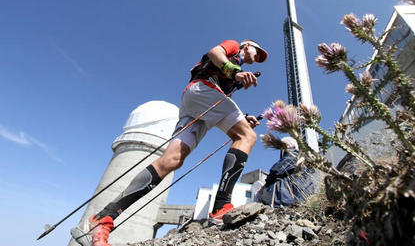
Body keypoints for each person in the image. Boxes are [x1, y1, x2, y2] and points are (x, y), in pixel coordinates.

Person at [71, 39, 268, 246]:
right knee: (246, 136)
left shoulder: (238, 74)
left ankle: (103, 218)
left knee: (172, 160)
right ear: (247, 45)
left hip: (197, 102)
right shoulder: (234, 46)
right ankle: (221, 207)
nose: (258, 57)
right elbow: (214, 52)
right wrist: (233, 71)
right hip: (203, 90)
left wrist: (243, 118)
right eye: (258, 51)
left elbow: (220, 103)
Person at [255, 137, 315, 208]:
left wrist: (264, 186)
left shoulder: (290, 155)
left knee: (257, 194)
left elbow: (274, 172)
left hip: (287, 199)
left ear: (287, 146)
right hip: (305, 196)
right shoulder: (304, 158)